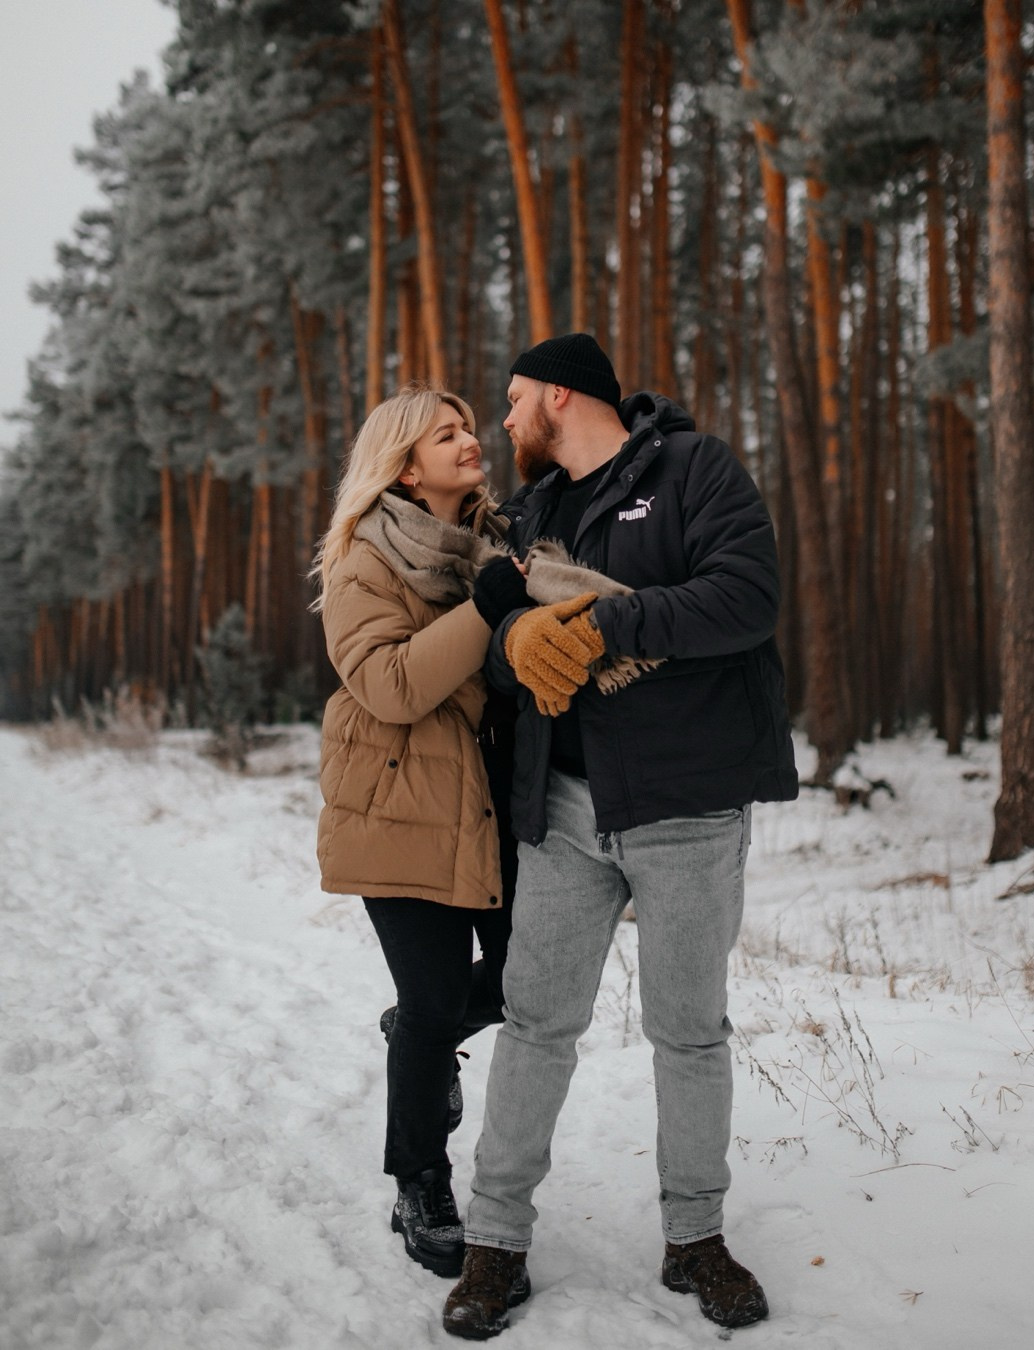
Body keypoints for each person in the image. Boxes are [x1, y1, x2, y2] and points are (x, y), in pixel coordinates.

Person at [441, 334, 799, 1339]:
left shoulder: (693, 469)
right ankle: (494, 1243)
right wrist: (516, 641)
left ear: (562, 394)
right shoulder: (534, 513)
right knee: (536, 1023)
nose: (502, 422)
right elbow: (507, 642)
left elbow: (748, 595)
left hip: (686, 804)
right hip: (560, 808)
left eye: (514, 401)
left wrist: (609, 626)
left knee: (688, 1030)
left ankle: (696, 1240)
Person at [312, 385, 561, 1280]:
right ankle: (420, 1178)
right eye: (447, 434)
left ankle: (420, 1034)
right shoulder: (363, 562)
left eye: (468, 428)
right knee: (429, 1004)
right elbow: (391, 688)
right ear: (406, 466)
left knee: (530, 979)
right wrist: (489, 608)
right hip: (398, 803)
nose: (471, 442)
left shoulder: (503, 542)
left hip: (498, 798)